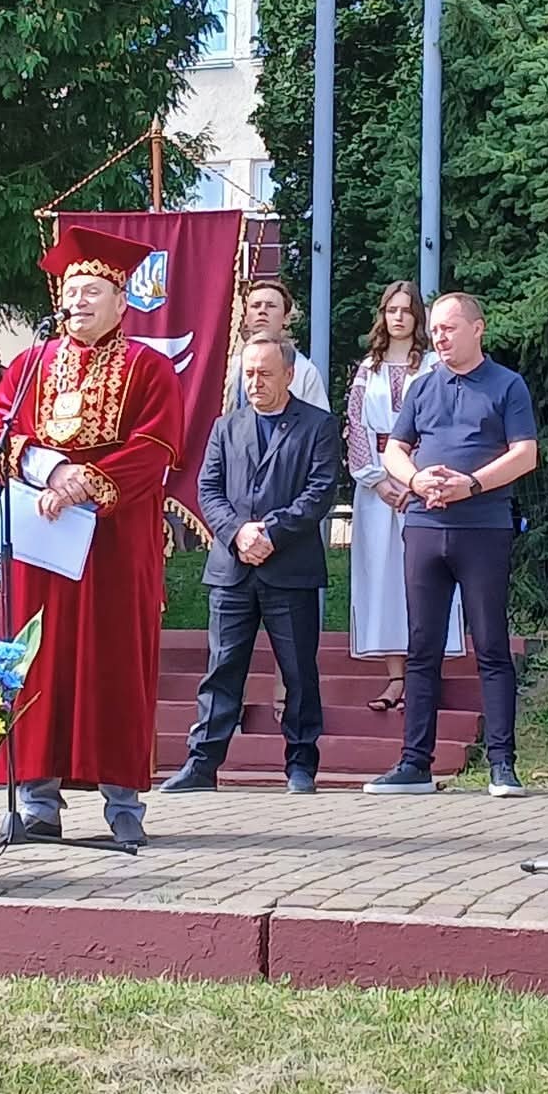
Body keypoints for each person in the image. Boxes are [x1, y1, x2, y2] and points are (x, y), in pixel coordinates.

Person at [0, 224, 186, 847]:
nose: (79, 300)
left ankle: (123, 804)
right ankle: (37, 800)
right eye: (72, 289)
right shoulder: (29, 365)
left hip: (114, 540)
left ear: (122, 301)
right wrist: (53, 469)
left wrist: (86, 482)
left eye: (93, 289)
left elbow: (156, 448)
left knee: (113, 660)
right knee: (36, 659)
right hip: (41, 534)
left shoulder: (148, 368)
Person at [366, 293, 538, 799]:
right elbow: (395, 449)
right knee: (422, 647)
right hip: (424, 526)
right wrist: (418, 480)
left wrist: (473, 484)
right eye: (435, 329)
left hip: (483, 527)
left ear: (477, 329)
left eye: (449, 328)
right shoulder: (423, 387)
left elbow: (525, 453)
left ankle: (502, 765)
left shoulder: (507, 385)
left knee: (490, 644)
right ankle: (414, 762)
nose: (438, 337)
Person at [162, 334, 339, 794]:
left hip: (290, 567)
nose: (255, 382)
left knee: (298, 670)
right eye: (249, 374)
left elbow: (320, 492)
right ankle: (202, 765)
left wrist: (272, 532)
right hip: (231, 568)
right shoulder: (226, 426)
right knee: (222, 668)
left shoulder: (317, 425)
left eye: (264, 373)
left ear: (289, 374)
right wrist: (239, 532)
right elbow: (209, 490)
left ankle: (301, 765)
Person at [345, 280, 462, 709]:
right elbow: (356, 426)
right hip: (376, 490)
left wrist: (415, 480)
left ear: (418, 317)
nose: (398, 318)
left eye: (406, 310)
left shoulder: (433, 365)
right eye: (391, 310)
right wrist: (377, 481)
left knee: (425, 577)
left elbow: (443, 422)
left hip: (424, 482)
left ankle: (424, 674)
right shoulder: (368, 368)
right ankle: (396, 677)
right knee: (384, 578)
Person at [221, 281, 330, 413]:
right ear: (245, 318)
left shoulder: (304, 371)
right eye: (255, 306)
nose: (262, 311)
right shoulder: (230, 368)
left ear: (285, 318)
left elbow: (318, 422)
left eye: (271, 306)